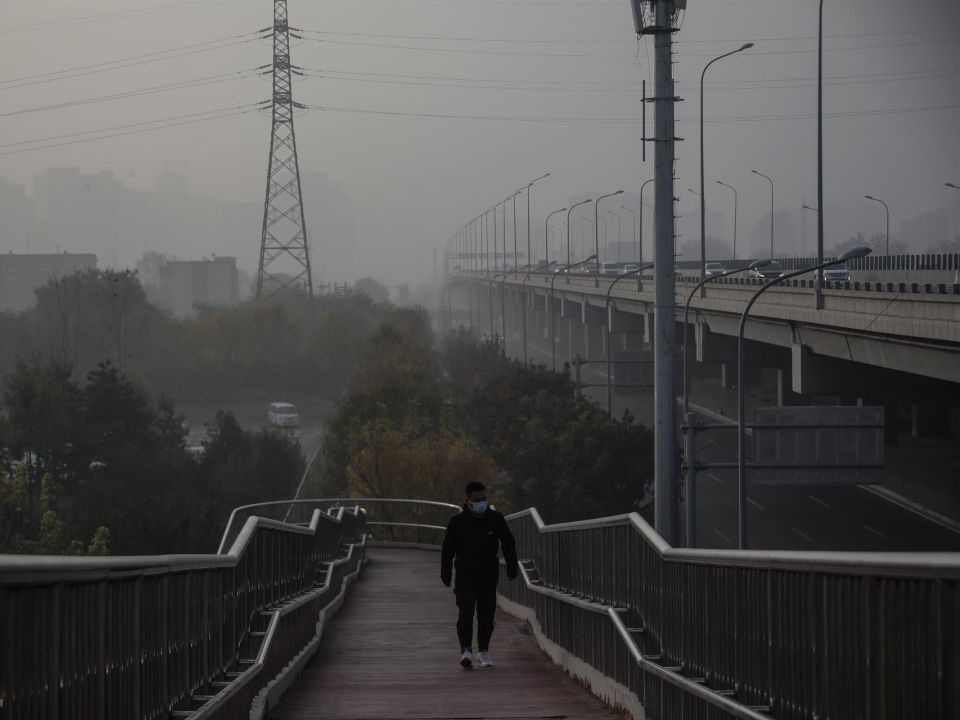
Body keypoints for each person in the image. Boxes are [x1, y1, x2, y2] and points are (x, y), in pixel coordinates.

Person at [440, 481, 518, 669]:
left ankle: (483, 650)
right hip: (465, 573)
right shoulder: (457, 522)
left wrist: (511, 565)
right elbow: (448, 548)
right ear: (468, 501)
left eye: (484, 499)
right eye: (477, 499)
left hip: (488, 574)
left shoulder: (495, 518)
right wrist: (446, 572)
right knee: (465, 612)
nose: (482, 502)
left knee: (486, 614)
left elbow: (508, 541)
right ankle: (466, 649)